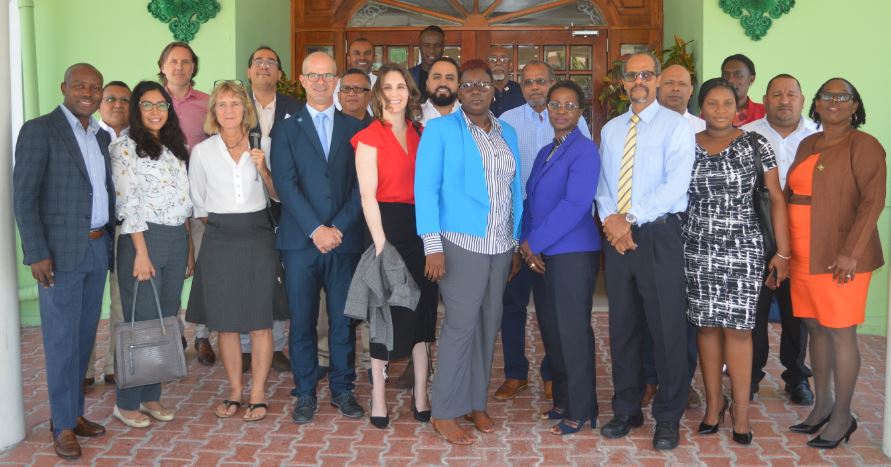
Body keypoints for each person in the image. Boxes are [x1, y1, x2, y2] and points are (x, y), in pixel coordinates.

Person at [415, 59, 523, 445]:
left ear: (495, 90)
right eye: (468, 85)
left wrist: (514, 242)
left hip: (499, 245)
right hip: (460, 243)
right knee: (460, 326)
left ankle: (476, 403)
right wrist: (432, 246)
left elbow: (513, 190)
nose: (476, 91)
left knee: (488, 325)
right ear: (459, 92)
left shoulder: (507, 132)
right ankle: (444, 411)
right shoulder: (440, 130)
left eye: (483, 84)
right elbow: (425, 189)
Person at [594, 52, 694, 450]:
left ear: (657, 80)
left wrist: (629, 218)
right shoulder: (612, 130)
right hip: (618, 238)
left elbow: (676, 185)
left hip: (658, 235)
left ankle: (668, 416)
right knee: (624, 327)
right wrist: (611, 221)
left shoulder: (676, 126)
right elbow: (603, 185)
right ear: (622, 82)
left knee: (667, 329)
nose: (639, 81)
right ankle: (627, 408)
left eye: (646, 74)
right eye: (632, 75)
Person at [13, 63, 113, 460]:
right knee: (61, 340)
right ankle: (62, 425)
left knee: (84, 337)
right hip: (58, 255)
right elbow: (24, 197)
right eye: (80, 85)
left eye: (95, 87)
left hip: (96, 248)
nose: (88, 93)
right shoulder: (40, 130)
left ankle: (74, 413)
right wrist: (36, 252)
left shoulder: (100, 136)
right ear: (64, 87)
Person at [686, 78, 790, 446]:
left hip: (743, 249)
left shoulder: (755, 144)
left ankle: (741, 412)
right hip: (698, 247)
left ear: (738, 108)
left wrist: (782, 252)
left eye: (727, 103)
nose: (720, 110)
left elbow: (776, 198)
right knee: (706, 328)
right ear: (701, 108)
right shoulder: (686, 144)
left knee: (740, 330)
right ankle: (714, 404)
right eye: (712, 103)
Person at [787, 78, 885, 449]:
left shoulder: (864, 145)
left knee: (841, 331)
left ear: (855, 105)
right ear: (816, 103)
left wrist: (851, 252)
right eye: (827, 95)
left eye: (843, 96)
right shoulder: (807, 143)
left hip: (841, 257)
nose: (834, 101)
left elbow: (873, 201)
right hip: (803, 252)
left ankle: (843, 415)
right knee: (815, 328)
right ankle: (823, 404)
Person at [271, 52, 366, 425]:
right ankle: (305, 392)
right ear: (302, 80)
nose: (321, 82)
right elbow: (285, 184)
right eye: (314, 75)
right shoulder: (286, 129)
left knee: (344, 322)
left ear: (336, 80)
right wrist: (316, 229)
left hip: (344, 240)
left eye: (327, 75)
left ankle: (343, 389)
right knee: (303, 321)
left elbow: (361, 187)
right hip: (301, 243)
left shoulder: (355, 128)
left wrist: (336, 228)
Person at [496, 60, 591, 402]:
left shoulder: (575, 124)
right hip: (518, 221)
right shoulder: (507, 121)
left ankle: (554, 374)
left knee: (551, 307)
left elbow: (579, 184)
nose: (534, 87)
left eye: (540, 81)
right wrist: (516, 234)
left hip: (557, 230)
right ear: (520, 87)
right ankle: (515, 374)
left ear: (552, 83)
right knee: (513, 302)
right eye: (527, 82)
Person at [186, 81, 280, 421]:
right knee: (225, 324)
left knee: (259, 321)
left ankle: (258, 393)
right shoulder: (202, 152)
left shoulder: (263, 143)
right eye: (222, 104)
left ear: (245, 109)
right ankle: (236, 390)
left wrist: (263, 169)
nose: (229, 110)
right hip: (220, 238)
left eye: (235, 103)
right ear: (214, 111)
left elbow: (278, 195)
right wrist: (225, 223)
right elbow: (199, 203)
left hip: (258, 237)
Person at [351, 63, 438, 429]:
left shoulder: (422, 133)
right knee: (384, 316)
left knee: (421, 314)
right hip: (385, 230)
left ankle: (421, 393)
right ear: (378, 94)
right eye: (387, 87)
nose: (395, 93)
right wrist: (381, 245)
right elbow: (367, 196)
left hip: (422, 231)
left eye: (401, 86)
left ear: (410, 92)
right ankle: (378, 395)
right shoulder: (369, 136)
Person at [110, 81, 193, 428]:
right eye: (148, 105)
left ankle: (150, 395)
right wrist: (141, 253)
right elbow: (128, 203)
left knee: (164, 319)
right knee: (141, 321)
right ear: (137, 109)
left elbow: (183, 201)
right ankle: (126, 401)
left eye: (162, 105)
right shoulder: (124, 147)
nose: (156, 111)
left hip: (175, 238)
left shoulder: (174, 147)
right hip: (142, 239)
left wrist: (188, 248)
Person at [520, 80, 601, 435]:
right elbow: (531, 202)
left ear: (580, 112)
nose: (562, 111)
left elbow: (575, 204)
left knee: (572, 331)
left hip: (572, 253)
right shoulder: (545, 152)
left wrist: (534, 243)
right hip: (542, 253)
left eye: (570, 105)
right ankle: (564, 401)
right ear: (548, 109)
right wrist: (525, 241)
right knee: (552, 331)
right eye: (555, 104)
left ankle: (583, 409)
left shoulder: (585, 151)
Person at [742, 73, 817, 405]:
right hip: (756, 234)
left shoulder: (819, 136)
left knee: (796, 311)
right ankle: (750, 376)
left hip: (804, 235)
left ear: (802, 99)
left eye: (791, 94)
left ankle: (797, 376)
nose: (784, 100)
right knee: (754, 310)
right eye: (776, 94)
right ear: (765, 99)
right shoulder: (747, 135)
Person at [643, 64, 703, 409]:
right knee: (650, 309)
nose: (675, 89)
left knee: (684, 314)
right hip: (654, 229)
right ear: (657, 86)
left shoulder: (704, 128)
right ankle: (650, 378)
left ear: (691, 90)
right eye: (669, 83)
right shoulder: (639, 126)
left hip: (696, 234)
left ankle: (682, 381)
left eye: (682, 84)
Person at [242, 45, 301, 374]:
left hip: (283, 202)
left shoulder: (295, 108)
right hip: (241, 204)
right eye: (258, 61)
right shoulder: (234, 105)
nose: (264, 66)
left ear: (280, 73)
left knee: (277, 276)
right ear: (249, 71)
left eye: (271, 62)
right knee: (246, 275)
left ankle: (276, 345)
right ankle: (244, 347)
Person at [157, 41, 215, 365]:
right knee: (173, 270)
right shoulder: (152, 102)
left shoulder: (207, 103)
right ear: (162, 66)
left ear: (194, 67)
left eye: (186, 62)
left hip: (202, 201)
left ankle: (203, 335)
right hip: (165, 205)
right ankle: (174, 331)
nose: (179, 67)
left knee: (204, 268)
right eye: (173, 61)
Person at [85, 80, 131, 388]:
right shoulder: (89, 136)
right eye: (111, 98)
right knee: (87, 305)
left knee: (121, 302)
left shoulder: (139, 140)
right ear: (100, 103)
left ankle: (116, 364)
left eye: (125, 100)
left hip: (125, 231)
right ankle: (85, 369)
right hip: (93, 232)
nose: (117, 104)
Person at [720, 54, 765, 126]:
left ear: (751, 79)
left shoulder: (765, 113)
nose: (730, 80)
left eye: (738, 75)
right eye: (726, 75)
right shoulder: (711, 112)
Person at [335, 37, 377, 112]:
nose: (362, 57)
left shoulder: (382, 83)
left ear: (374, 58)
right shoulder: (335, 85)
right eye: (357, 53)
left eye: (367, 53)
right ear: (348, 58)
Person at [420, 57, 461, 125]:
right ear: (427, 84)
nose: (443, 83)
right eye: (437, 77)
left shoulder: (471, 117)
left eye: (450, 78)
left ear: (458, 85)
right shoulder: (414, 117)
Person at [409, 26, 445, 102]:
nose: (432, 50)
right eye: (426, 45)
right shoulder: (408, 76)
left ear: (443, 48)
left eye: (437, 45)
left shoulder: (452, 76)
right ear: (420, 47)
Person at [488, 46, 524, 117]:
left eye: (503, 59)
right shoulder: (480, 91)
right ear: (486, 65)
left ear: (510, 65)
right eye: (493, 59)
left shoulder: (522, 92)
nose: (498, 63)